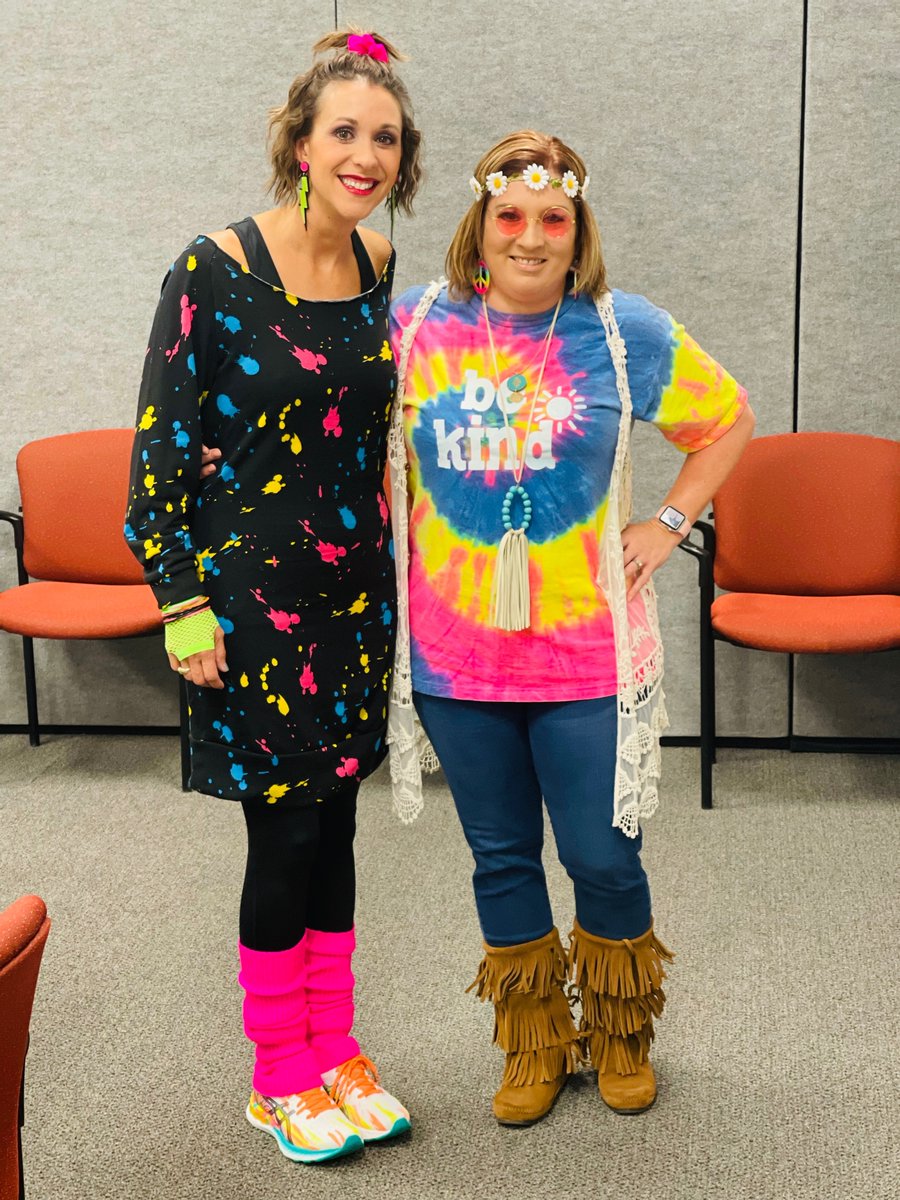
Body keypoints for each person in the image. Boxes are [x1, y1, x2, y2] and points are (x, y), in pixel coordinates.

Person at [386, 131, 755, 1125]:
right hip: (457, 661)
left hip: (587, 656)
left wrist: (670, 523)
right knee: (501, 859)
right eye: (512, 216)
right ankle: (536, 1041)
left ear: (577, 229)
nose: (533, 236)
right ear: (481, 224)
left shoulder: (620, 330)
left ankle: (623, 1030)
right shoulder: (414, 326)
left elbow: (726, 418)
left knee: (601, 855)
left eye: (555, 220)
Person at [124, 29, 421, 1164]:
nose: (364, 154)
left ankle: (337, 1047)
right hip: (249, 601)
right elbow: (161, 448)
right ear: (299, 142)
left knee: (340, 819)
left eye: (385, 138)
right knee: (284, 831)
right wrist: (179, 600)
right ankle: (277, 1071)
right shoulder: (213, 267)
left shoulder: (381, 266)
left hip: (354, 595)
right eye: (343, 131)